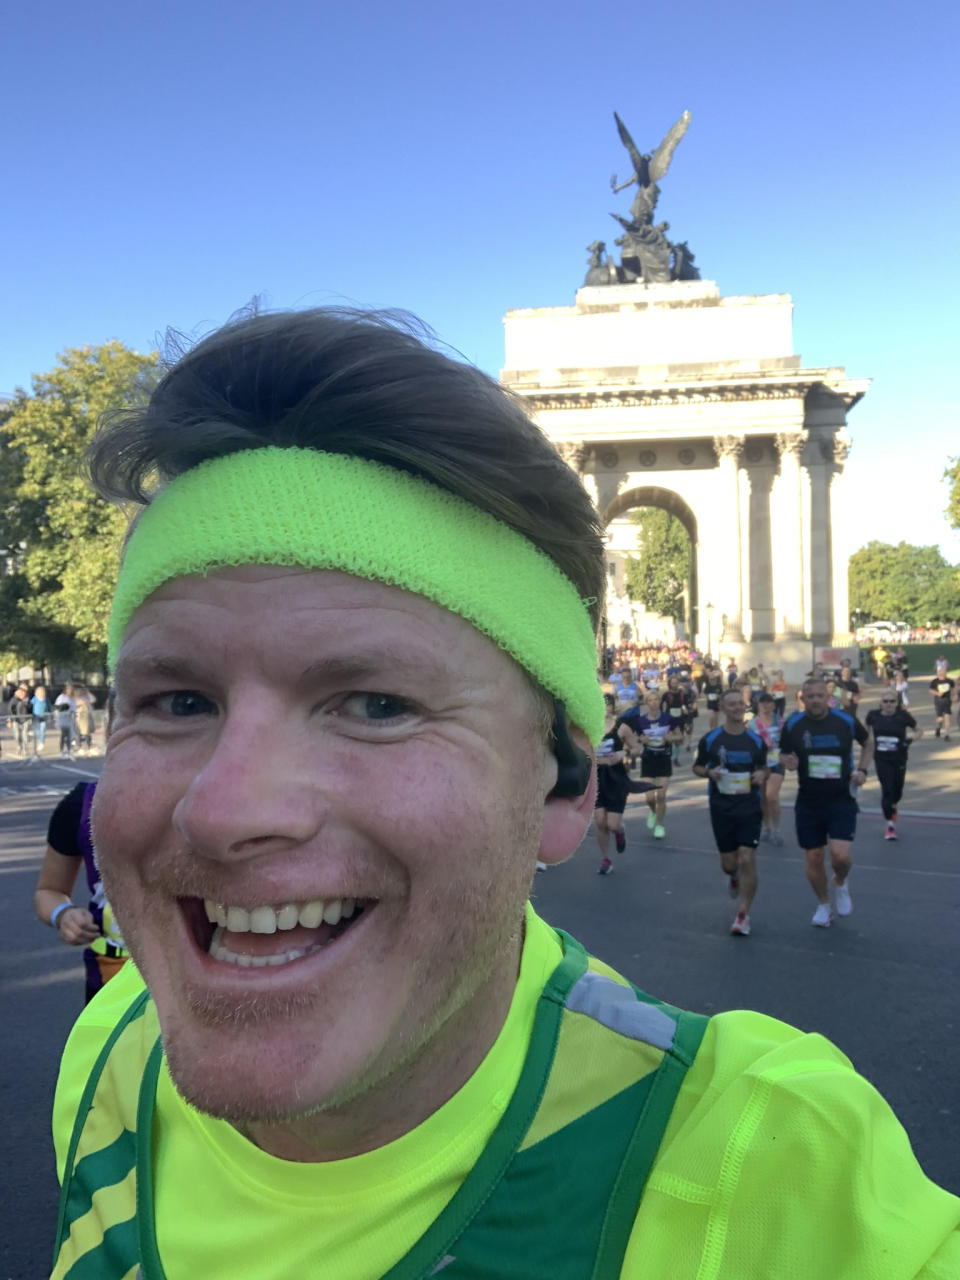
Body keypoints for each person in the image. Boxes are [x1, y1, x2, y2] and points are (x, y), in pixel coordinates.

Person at [49, 310, 959, 1279]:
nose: (226, 809)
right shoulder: (112, 1042)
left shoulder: (778, 1173)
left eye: (376, 702)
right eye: (178, 698)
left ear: (567, 781)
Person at [781, 678, 873, 927]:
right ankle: (823, 905)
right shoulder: (794, 723)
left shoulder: (845, 720)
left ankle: (841, 882)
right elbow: (784, 752)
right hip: (809, 800)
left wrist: (863, 770)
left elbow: (868, 743)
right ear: (803, 698)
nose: (815, 700)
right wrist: (787, 761)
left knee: (840, 856)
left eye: (819, 696)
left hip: (841, 798)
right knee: (813, 857)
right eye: (809, 696)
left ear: (827, 697)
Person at [33, 780, 129, 1003]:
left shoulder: (210, 801)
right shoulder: (83, 804)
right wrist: (64, 915)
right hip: (111, 981)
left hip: (196, 983)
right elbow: (48, 891)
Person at [693, 689, 768, 936]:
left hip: (749, 805)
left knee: (747, 856)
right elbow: (697, 766)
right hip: (721, 806)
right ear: (723, 709)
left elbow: (766, 769)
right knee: (729, 864)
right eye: (731, 704)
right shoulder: (711, 739)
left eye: (740, 704)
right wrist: (709, 773)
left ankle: (743, 914)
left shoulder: (756, 741)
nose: (737, 708)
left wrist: (761, 775)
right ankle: (733, 876)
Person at [618, 689, 680, 839]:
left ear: (660, 701)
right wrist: (641, 741)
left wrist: (671, 738)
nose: (653, 702)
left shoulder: (668, 718)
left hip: (663, 758)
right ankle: (653, 812)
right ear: (646, 703)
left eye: (656, 699)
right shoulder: (640, 721)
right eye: (650, 700)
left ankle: (659, 825)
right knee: (650, 798)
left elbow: (680, 736)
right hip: (648, 759)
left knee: (661, 796)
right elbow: (632, 741)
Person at [865, 691, 922, 840]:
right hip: (881, 759)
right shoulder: (873, 715)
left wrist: (909, 740)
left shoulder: (903, 716)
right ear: (880, 703)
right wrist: (868, 744)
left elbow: (919, 730)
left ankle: (893, 805)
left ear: (896, 703)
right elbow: (865, 733)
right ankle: (890, 826)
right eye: (885, 701)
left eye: (892, 701)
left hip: (899, 759)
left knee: (897, 791)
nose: (888, 704)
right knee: (887, 789)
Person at [753, 692, 785, 845]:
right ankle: (767, 827)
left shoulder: (780, 722)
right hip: (759, 765)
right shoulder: (752, 724)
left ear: (774, 705)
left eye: (769, 703)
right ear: (758, 705)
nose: (766, 706)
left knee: (772, 796)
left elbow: (789, 742)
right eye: (762, 703)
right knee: (763, 799)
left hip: (777, 763)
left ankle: (776, 830)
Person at [929, 662, 954, 740]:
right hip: (938, 701)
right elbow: (930, 691)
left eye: (944, 671)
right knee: (940, 719)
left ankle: (947, 735)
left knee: (947, 718)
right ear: (938, 672)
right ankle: (938, 728)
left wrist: (955, 696)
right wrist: (937, 693)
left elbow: (954, 689)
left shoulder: (949, 681)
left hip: (947, 701)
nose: (942, 673)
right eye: (941, 671)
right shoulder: (935, 681)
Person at [7, 683, 32, 757]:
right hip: (16, 719)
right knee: (17, 735)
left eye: (25, 690)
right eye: (22, 689)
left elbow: (30, 708)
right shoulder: (14, 699)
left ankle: (25, 749)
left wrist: (25, 702)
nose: (23, 691)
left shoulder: (28, 699)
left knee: (25, 734)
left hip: (25, 719)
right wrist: (10, 720)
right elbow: (10, 709)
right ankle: (19, 746)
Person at [30, 683, 50, 754]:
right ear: (36, 693)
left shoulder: (46, 699)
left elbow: (49, 706)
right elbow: (30, 706)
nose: (41, 694)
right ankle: (39, 739)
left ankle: (41, 742)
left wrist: (50, 713)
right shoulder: (34, 699)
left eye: (42, 692)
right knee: (37, 730)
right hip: (36, 717)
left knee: (43, 729)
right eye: (39, 692)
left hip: (44, 717)